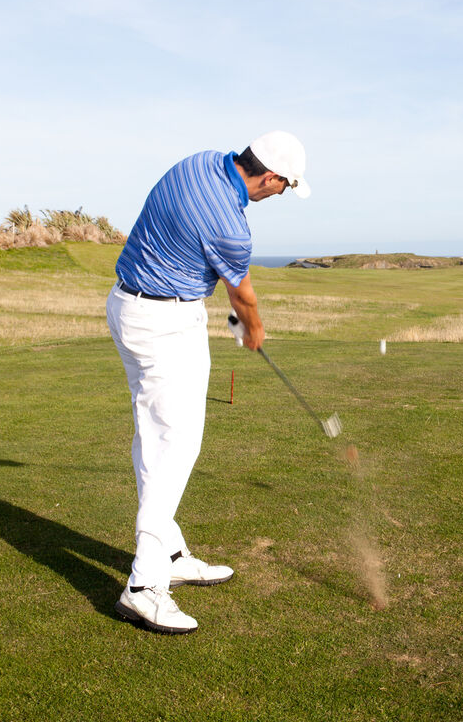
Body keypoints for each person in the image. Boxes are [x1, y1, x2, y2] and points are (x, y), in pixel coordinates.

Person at [106, 131, 310, 634]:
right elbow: (242, 297)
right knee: (173, 445)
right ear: (269, 176)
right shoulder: (231, 226)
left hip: (140, 306)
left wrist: (238, 321)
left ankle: (170, 553)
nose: (278, 196)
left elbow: (213, 271)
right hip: (162, 323)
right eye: (284, 188)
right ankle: (143, 586)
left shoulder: (199, 163)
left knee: (157, 437)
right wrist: (253, 332)